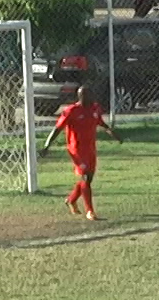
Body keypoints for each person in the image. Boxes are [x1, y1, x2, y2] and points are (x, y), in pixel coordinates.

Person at [40, 86, 122, 221]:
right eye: (89, 94)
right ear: (81, 97)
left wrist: (111, 132)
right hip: (76, 149)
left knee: (88, 179)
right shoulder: (71, 111)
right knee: (85, 178)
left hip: (90, 148)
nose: (92, 97)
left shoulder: (95, 108)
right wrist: (47, 146)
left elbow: (99, 121)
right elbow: (57, 129)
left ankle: (71, 200)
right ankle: (90, 211)